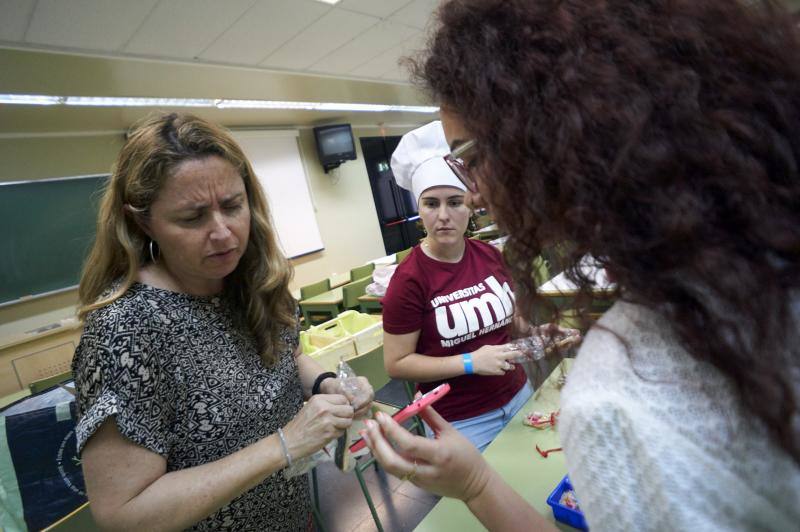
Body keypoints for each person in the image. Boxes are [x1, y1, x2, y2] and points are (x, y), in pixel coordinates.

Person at [361, 0, 800, 530]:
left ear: (550, 139)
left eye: (471, 161)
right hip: (470, 417)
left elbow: (511, 324)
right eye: (437, 200)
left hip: (514, 401)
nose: (469, 200)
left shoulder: (612, 401)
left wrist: (530, 341)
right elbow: (399, 363)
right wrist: (476, 364)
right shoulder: (765, 248)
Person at [72, 112, 373, 531]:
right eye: (192, 218)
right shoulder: (126, 330)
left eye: (233, 206)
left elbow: (288, 355)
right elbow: (124, 514)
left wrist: (327, 384)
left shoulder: (251, 277)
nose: (224, 234)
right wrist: (284, 445)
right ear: (143, 222)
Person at [382, 120, 561, 451]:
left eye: (455, 202)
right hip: (462, 421)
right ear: (419, 211)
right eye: (431, 204)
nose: (444, 215)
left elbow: (510, 322)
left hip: (519, 394)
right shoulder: (409, 280)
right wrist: (469, 362)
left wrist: (535, 333)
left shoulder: (489, 255)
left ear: (470, 206)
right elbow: (396, 363)